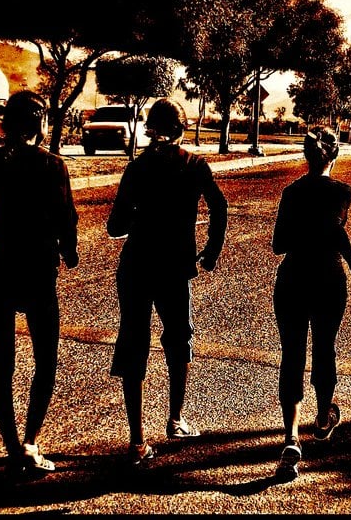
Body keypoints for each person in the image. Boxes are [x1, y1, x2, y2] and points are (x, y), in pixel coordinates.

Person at [0, 90, 79, 475]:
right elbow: (67, 220)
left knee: (2, 363)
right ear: (40, 124)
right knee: (45, 362)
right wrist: (68, 252)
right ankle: (30, 441)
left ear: (7, 124)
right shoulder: (52, 165)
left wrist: (1, 234)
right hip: (40, 273)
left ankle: (11, 445)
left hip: (3, 271)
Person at [106, 98, 228, 466]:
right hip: (175, 267)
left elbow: (116, 227)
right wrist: (210, 251)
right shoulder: (194, 165)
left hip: (137, 264)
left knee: (133, 342)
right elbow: (219, 207)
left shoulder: (137, 168)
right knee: (178, 338)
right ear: (181, 128)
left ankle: (136, 440)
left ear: (149, 129)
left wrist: (139, 215)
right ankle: (176, 418)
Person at [271, 126, 351, 481]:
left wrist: (301, 231)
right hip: (328, 279)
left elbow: (278, 244)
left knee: (292, 354)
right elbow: (335, 229)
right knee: (325, 348)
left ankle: (291, 438)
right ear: (336, 154)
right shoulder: (343, 192)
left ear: (307, 156)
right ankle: (324, 417)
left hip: (293, 278)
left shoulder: (291, 192)